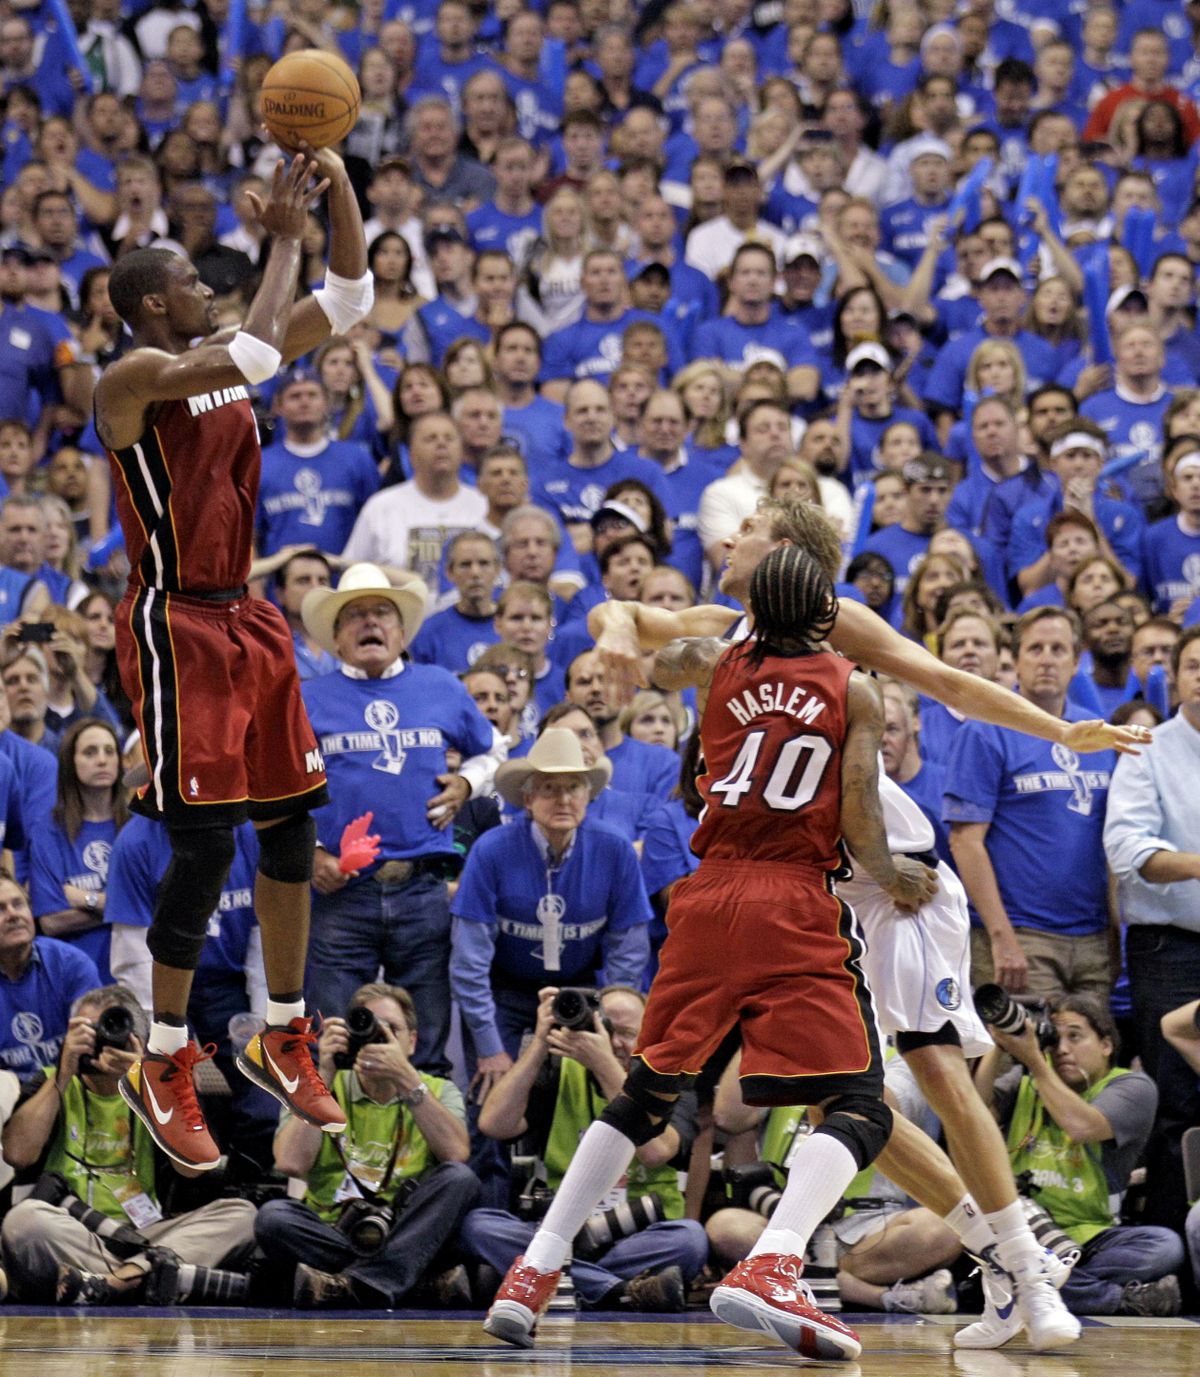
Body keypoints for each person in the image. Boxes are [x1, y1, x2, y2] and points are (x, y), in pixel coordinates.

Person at [484, 544, 938, 1358]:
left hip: (707, 894)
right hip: (792, 897)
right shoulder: (854, 688)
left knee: (647, 1092)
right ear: (827, 612)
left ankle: (535, 1265)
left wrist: (631, 625)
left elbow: (655, 665)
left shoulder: (717, 658)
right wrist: (895, 876)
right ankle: (774, 1258)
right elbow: (863, 817)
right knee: (861, 1104)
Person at [92, 147, 375, 1169]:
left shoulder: (216, 350)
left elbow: (349, 300)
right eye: (187, 280)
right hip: (173, 624)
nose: (202, 287)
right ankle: (163, 1055)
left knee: (293, 825)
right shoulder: (133, 378)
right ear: (151, 303)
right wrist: (280, 240)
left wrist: (335, 188)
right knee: (206, 845)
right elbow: (257, 356)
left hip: (245, 616)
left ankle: (283, 1029)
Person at [299, 563, 506, 1076]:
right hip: (340, 895)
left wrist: (466, 784)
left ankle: (433, 1156)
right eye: (356, 616)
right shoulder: (305, 698)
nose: (370, 624)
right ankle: (333, 1151)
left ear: (401, 631)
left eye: (382, 614)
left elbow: (496, 752)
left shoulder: (440, 686)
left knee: (427, 1044)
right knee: (332, 1044)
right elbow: (272, 790)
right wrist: (309, 854)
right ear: (337, 637)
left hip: (423, 890)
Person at [0, 984, 259, 1306]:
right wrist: (63, 1074)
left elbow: (192, 1170)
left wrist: (149, 1087)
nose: (102, 1041)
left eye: (112, 1029)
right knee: (24, 1220)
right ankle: (152, 1278)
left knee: (243, 1215)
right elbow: (17, 1155)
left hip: (150, 1235)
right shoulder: (51, 1081)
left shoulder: (162, 1087)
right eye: (90, 1031)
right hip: (75, 1233)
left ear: (137, 1039)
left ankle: (112, 1283)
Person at [462, 983, 707, 1313]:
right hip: (560, 1231)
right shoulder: (561, 1072)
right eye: (606, 1028)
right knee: (480, 1225)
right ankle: (619, 1290)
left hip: (639, 1235)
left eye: (628, 1033)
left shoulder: (670, 1080)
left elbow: (655, 1151)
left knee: (690, 1239)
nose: (615, 1042)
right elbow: (494, 1124)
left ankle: (548, 1279)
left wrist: (604, 1064)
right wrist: (539, 1043)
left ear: (649, 1037)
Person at [449, 728, 652, 1095]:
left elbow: (630, 948)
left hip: (583, 988)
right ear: (527, 799)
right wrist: (489, 1046)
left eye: (573, 787)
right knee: (492, 1096)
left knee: (585, 1096)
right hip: (503, 992)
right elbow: (469, 958)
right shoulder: (490, 851)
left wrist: (606, 1021)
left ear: (588, 796)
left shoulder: (615, 849)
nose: (563, 799)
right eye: (549, 788)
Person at [253, 981, 479, 1309]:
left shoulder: (437, 1091)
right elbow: (291, 1163)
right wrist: (324, 1076)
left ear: (412, 1042)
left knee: (460, 1180)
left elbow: (456, 1155)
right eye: (370, 1028)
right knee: (273, 1218)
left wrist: (407, 1080)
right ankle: (407, 1282)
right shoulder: (316, 1087)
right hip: (335, 1228)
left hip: (410, 1229)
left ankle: (353, 1285)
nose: (379, 1039)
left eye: (392, 1030)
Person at [976, 994, 1185, 1317]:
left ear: (1106, 1044)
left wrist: (1033, 1060)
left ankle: (1026, 1284)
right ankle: (1119, 1299)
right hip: (1020, 1225)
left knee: (1164, 1246)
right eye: (1055, 1038)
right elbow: (972, 1115)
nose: (1061, 1049)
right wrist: (998, 1045)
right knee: (993, 1221)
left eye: (1075, 1037)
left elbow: (1082, 1126)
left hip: (1090, 1233)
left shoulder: (1132, 1086)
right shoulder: (1025, 1081)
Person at [946, 608, 1116, 1000]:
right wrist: (1001, 937)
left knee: (1090, 1060)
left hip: (1092, 938)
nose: (1046, 659)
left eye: (1058, 649)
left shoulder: (1099, 735)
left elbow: (1109, 847)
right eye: (1035, 648)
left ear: (1076, 663)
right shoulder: (985, 730)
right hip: (1021, 937)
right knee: (1026, 1057)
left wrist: (1111, 933)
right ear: (1016, 659)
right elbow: (965, 842)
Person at [1104, 626, 1200, 1231]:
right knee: (1178, 1101)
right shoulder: (1148, 748)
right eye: (1195, 664)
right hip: (1171, 948)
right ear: (1177, 677)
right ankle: (1176, 1256)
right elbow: (1125, 848)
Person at [29, 718, 129, 985]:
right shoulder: (48, 830)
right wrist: (125, 907)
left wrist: (86, 899)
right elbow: (51, 921)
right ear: (70, 763)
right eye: (90, 752)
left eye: (109, 751)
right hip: (75, 974)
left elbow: (155, 908)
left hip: (134, 971)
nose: (102, 760)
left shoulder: (137, 827)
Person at [0, 870, 99, 1078]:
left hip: (77, 1085)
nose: (13, 915)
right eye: (0, 909)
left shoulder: (71, 964)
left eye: (18, 904)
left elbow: (95, 1050)